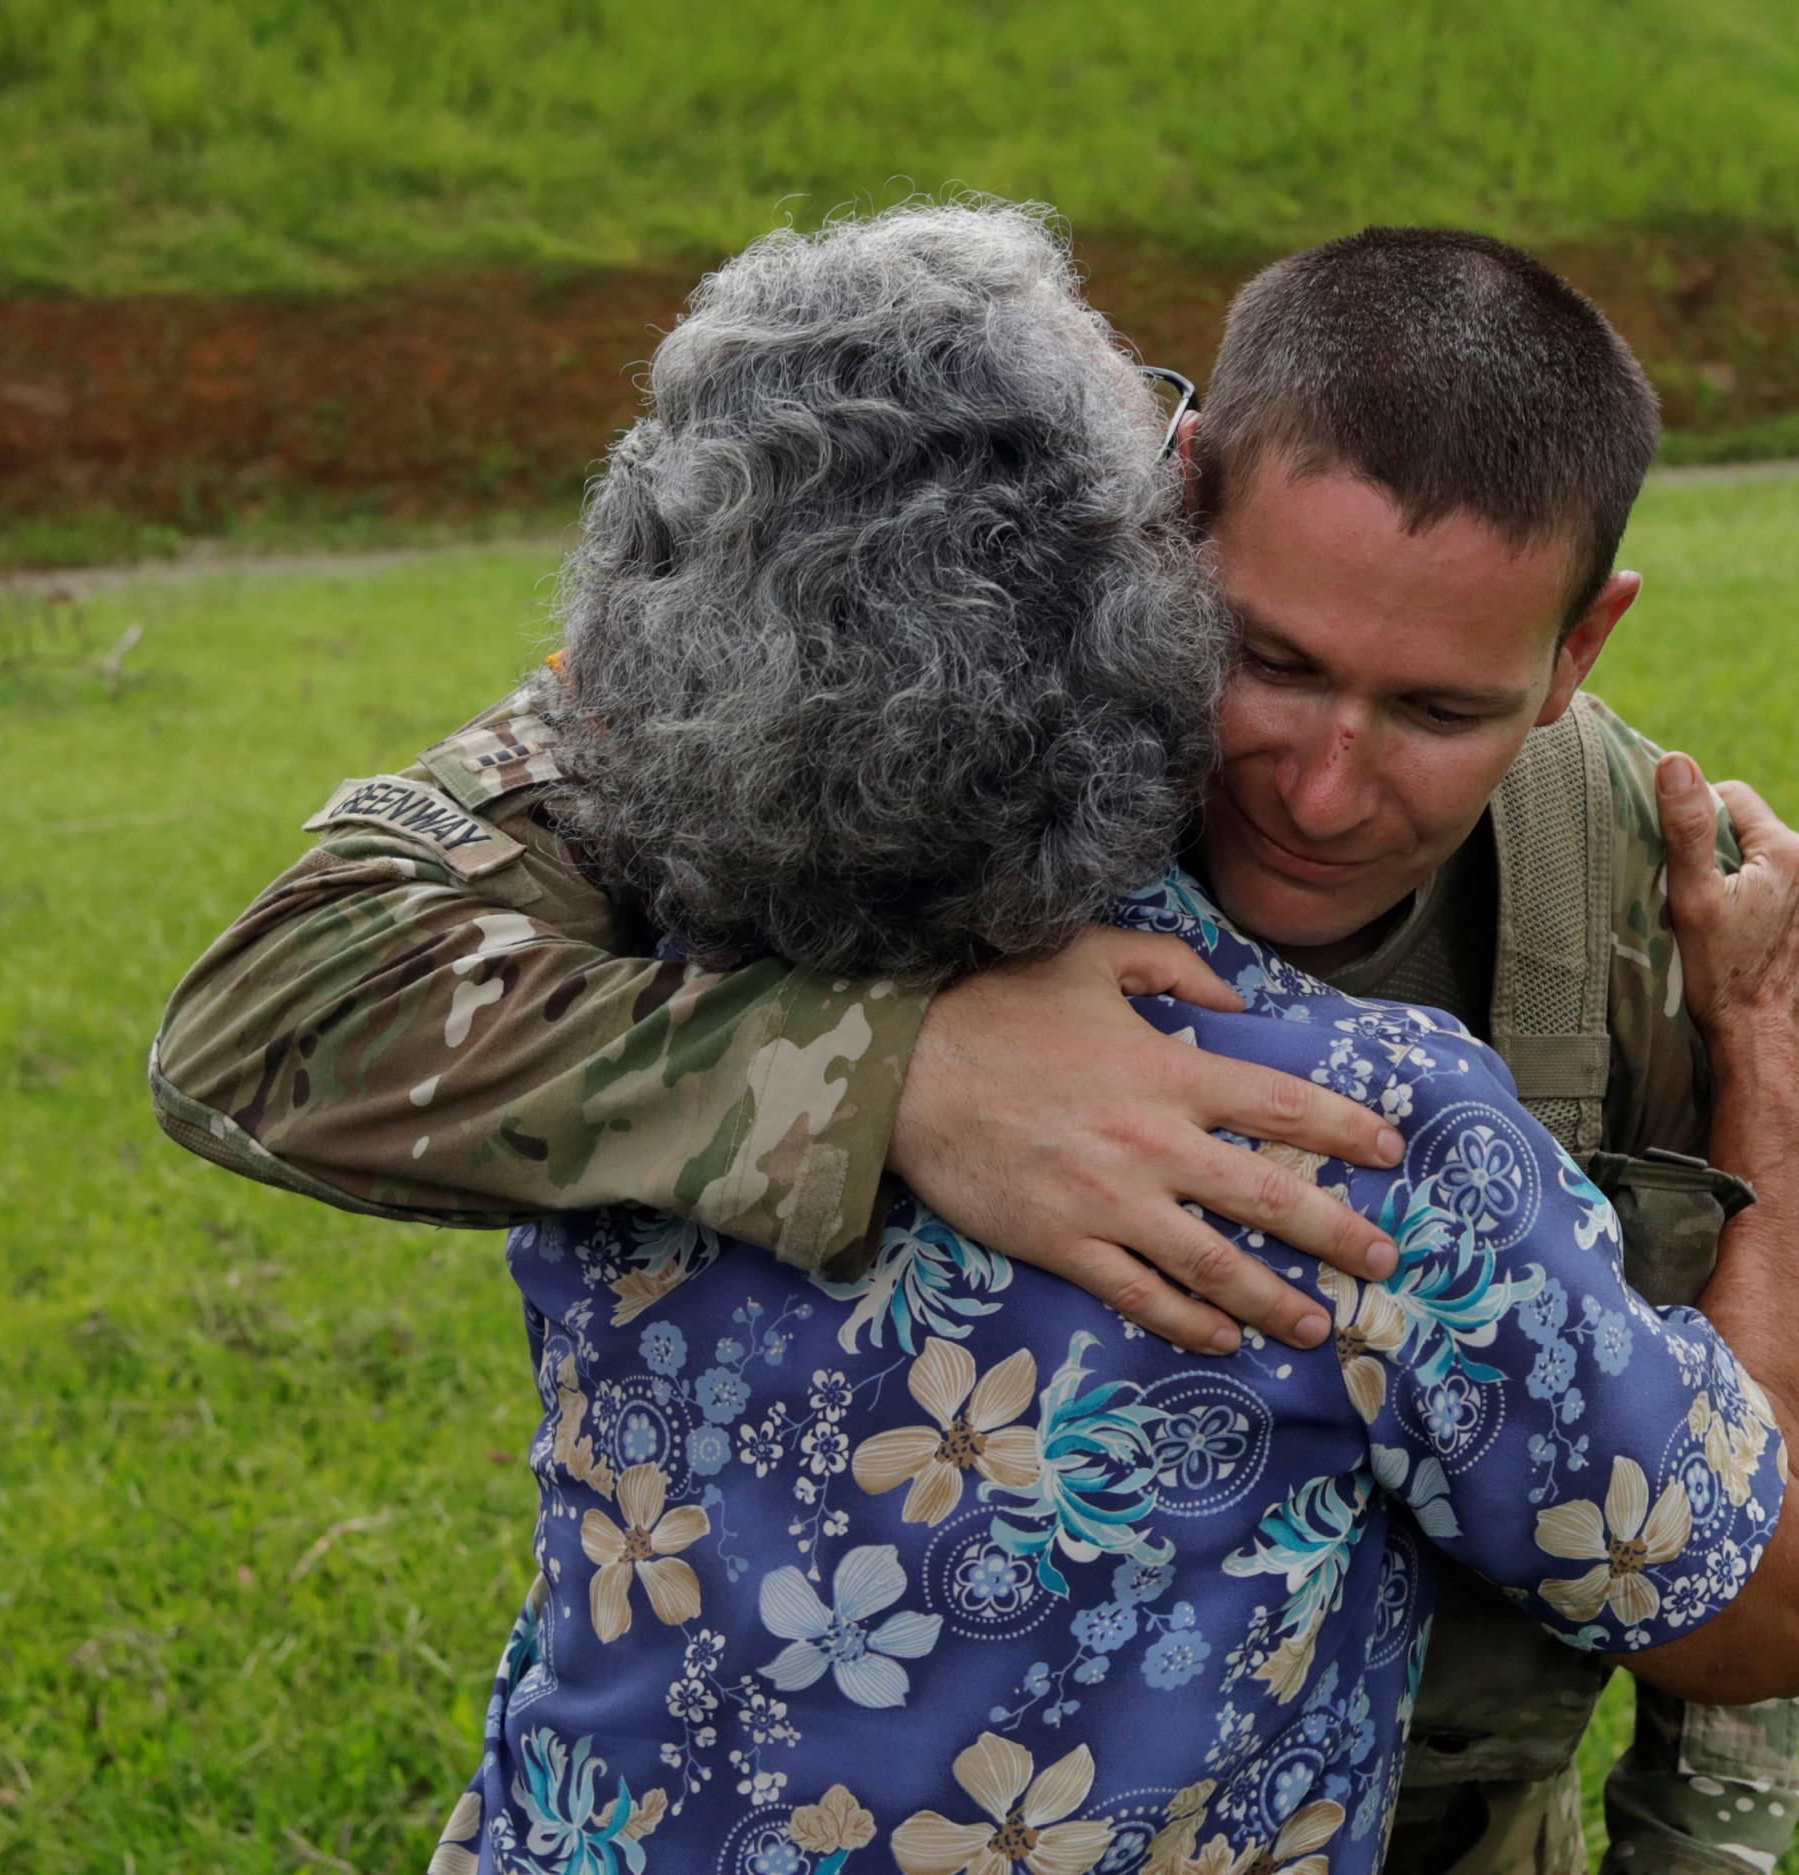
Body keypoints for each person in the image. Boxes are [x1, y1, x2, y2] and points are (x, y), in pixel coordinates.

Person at [153, 222, 1799, 1874]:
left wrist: (1770, 1071)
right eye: (1269, 662)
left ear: (1579, 651)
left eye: (1440, 712)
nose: (1321, 785)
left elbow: (1740, 1640)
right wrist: (896, 1071)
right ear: (1165, 511)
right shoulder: (773, 729)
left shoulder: (1640, 908)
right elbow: (271, 1009)